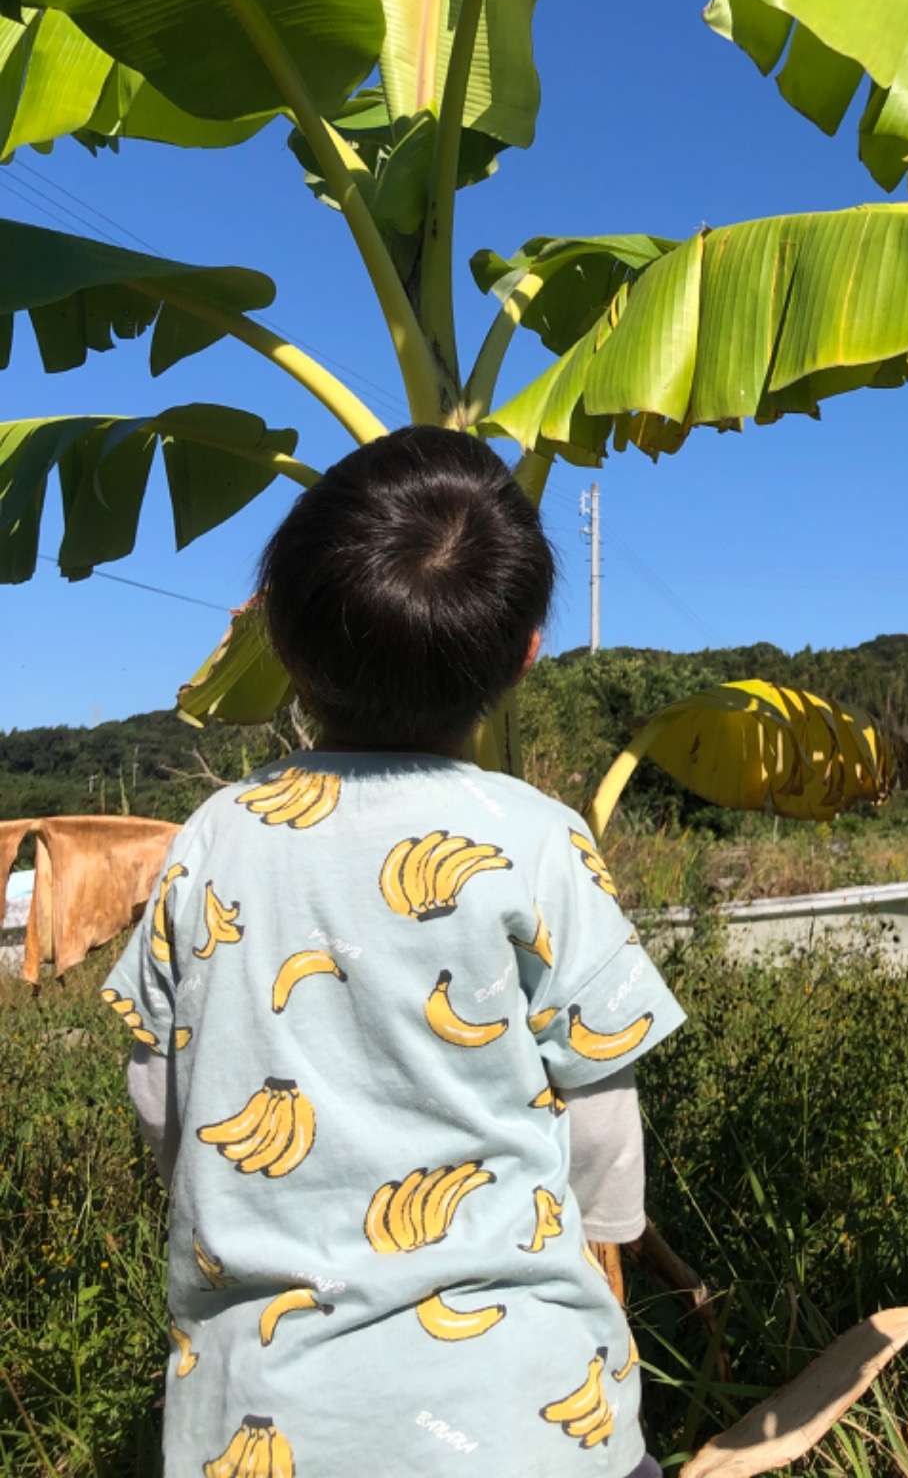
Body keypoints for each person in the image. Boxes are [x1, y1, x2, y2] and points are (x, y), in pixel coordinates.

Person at [105, 428, 682, 1477]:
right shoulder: (537, 838)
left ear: (277, 639)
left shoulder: (212, 840)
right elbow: (600, 1111)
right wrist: (611, 1234)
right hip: (526, 1409)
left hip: (260, 1416)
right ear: (526, 656)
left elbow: (159, 1093)